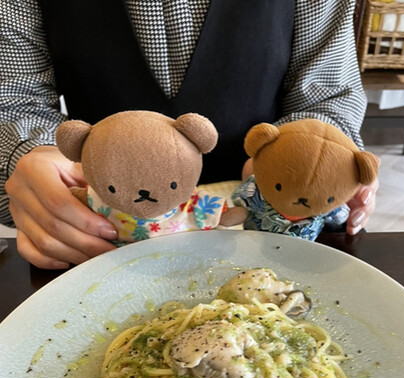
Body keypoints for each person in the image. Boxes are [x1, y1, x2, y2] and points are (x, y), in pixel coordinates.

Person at [0, 0, 379, 270]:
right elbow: (13, 98)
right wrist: (30, 153)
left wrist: (317, 157)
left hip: (268, 237)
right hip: (104, 239)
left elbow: (326, 92)